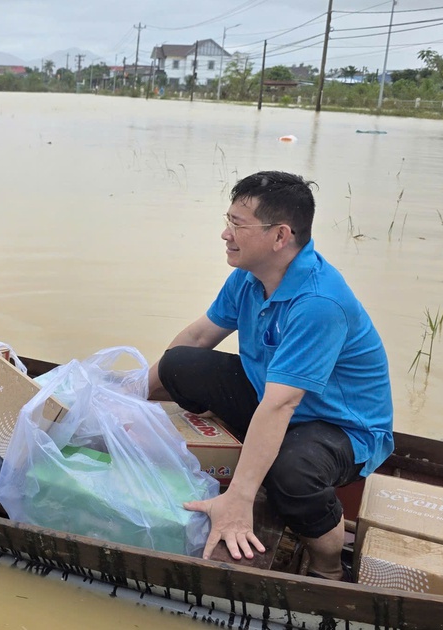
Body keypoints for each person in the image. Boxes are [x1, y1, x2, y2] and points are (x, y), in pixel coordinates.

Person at [146, 171, 393, 581]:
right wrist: (129, 394)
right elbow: (199, 334)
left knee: (290, 471)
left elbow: (281, 404)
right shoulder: (249, 275)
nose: (225, 234)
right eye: (228, 221)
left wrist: (238, 500)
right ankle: (243, 455)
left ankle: (329, 569)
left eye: (238, 225)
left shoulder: (318, 302)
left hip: (339, 426)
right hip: (273, 398)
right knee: (179, 364)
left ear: (280, 237)